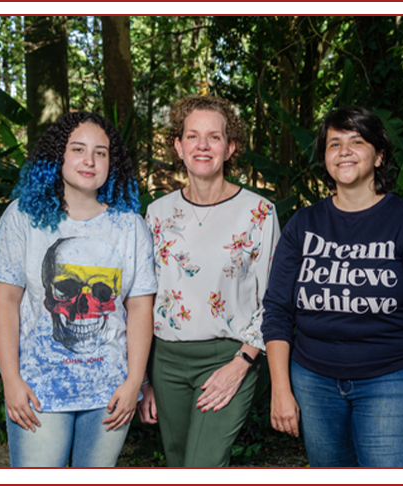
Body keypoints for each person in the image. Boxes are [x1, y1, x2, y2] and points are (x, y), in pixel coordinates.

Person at [261, 105, 403, 467]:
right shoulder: (303, 224)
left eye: (356, 141)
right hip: (312, 381)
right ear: (325, 159)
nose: (344, 151)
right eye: (334, 144)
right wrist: (281, 389)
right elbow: (277, 311)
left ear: (379, 156)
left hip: (390, 379)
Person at [0, 111, 157, 467]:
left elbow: (139, 308)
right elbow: (4, 303)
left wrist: (134, 381)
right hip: (37, 390)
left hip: (109, 391)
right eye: (78, 149)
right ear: (58, 156)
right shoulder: (22, 218)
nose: (89, 160)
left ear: (112, 162)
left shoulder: (131, 227)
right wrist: (11, 379)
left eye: (101, 152)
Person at [137, 95, 280, 467]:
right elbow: (140, 299)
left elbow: (276, 299)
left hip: (228, 357)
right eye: (192, 136)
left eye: (214, 137)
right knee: (179, 461)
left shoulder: (259, 212)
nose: (202, 145)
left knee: (202, 464)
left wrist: (243, 362)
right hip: (165, 361)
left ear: (230, 147)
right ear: (178, 146)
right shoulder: (156, 213)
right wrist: (144, 379)